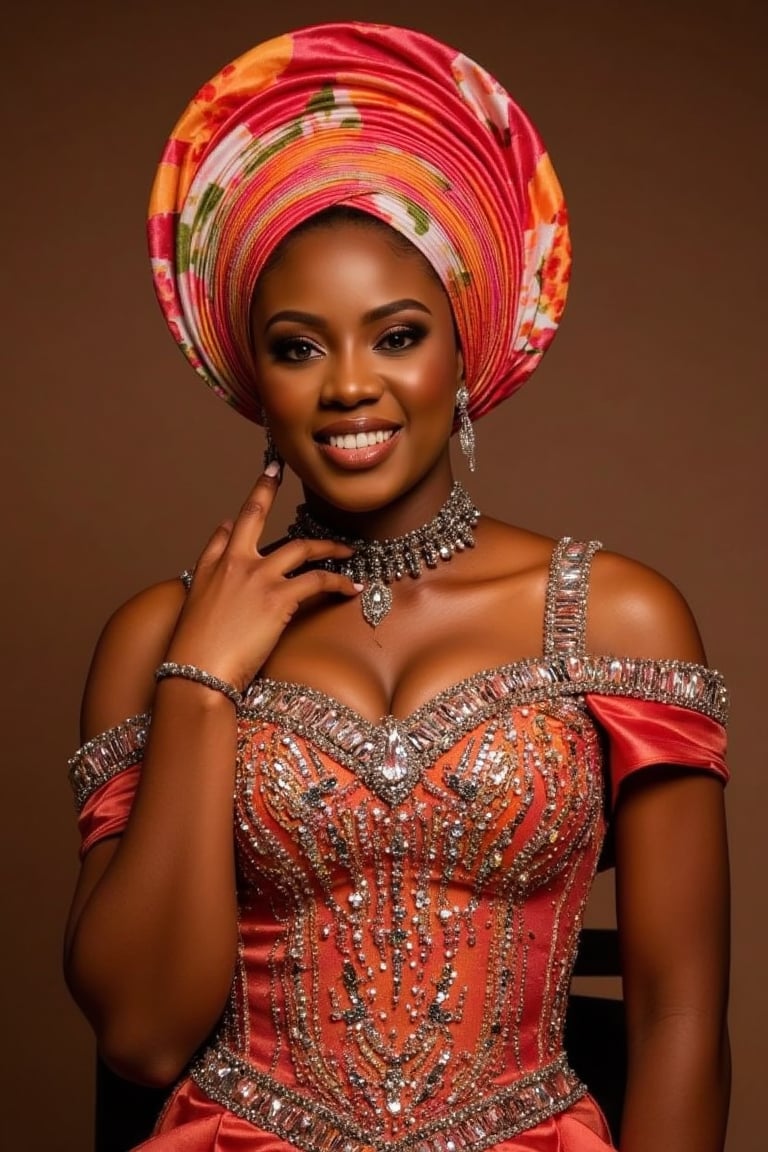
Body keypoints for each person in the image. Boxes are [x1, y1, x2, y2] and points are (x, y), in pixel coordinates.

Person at [64, 21, 731, 1152]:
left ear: (462, 354)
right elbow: (138, 1036)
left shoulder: (615, 615)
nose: (352, 386)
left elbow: (679, 1020)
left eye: (399, 335)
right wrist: (201, 678)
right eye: (299, 346)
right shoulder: (157, 635)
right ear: (252, 380)